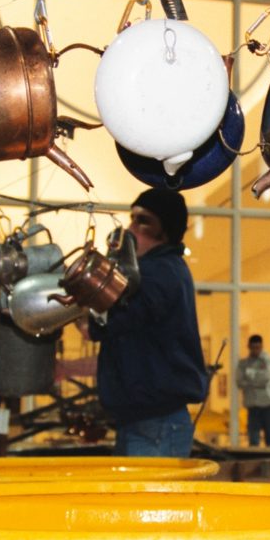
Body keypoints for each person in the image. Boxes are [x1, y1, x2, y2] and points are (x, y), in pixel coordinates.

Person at [89, 188, 208, 457]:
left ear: (164, 230)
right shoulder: (163, 271)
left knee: (150, 500)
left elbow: (110, 323)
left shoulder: (158, 273)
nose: (131, 229)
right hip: (148, 423)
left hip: (155, 426)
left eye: (143, 221)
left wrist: (92, 297)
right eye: (132, 219)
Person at [236, 334, 270, 447]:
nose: (256, 350)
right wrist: (258, 380)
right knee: (253, 439)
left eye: (258, 347)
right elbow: (240, 382)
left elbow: (267, 378)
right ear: (249, 347)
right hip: (253, 406)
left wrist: (251, 379)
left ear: (262, 347)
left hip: (269, 404)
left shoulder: (267, 360)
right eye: (253, 347)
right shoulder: (243, 364)